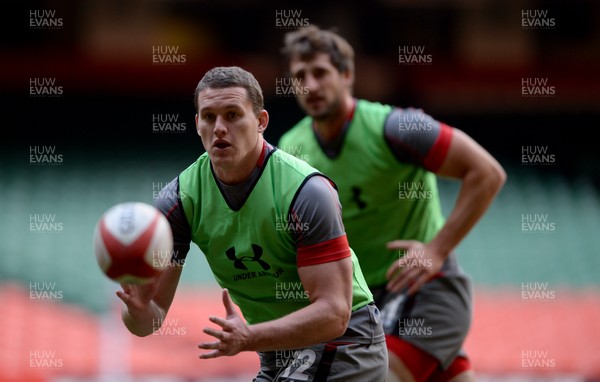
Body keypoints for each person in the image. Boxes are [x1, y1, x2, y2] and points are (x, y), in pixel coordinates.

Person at [116, 66, 388, 381]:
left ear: (260, 122)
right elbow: (151, 321)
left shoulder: (306, 192)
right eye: (209, 117)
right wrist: (138, 309)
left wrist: (250, 337)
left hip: (345, 344)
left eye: (233, 115)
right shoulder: (179, 201)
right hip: (275, 351)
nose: (219, 128)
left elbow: (335, 313)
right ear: (197, 124)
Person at [278, 25, 506, 382]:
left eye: (320, 72)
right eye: (299, 76)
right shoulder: (291, 148)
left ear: (347, 75)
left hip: (424, 289)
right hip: (365, 306)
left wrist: (437, 249)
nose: (310, 84)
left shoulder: (397, 127)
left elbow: (488, 172)